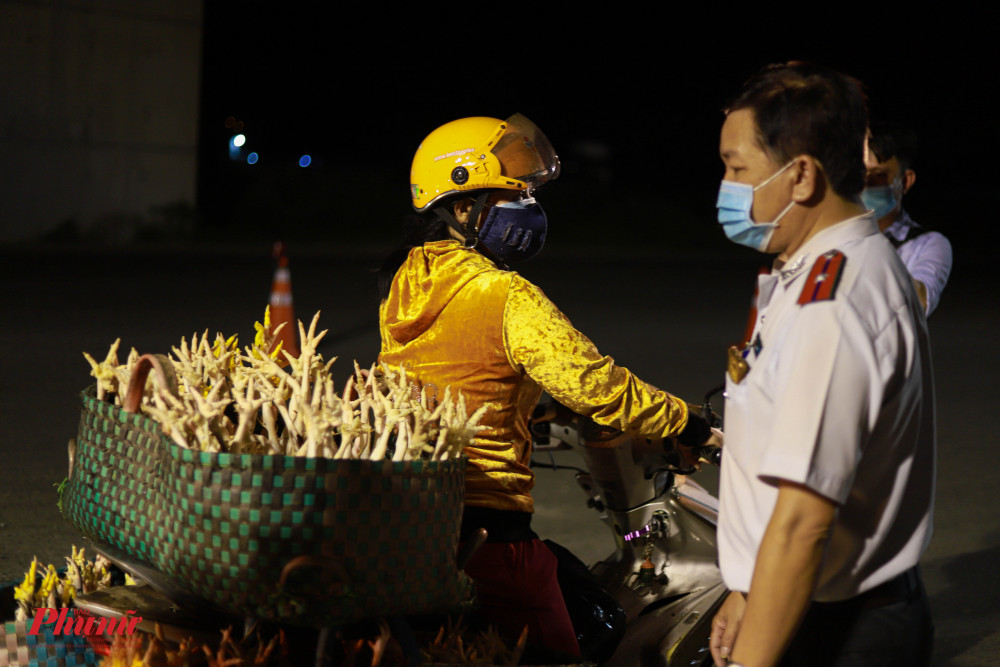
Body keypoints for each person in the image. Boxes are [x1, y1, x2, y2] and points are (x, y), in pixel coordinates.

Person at [376, 114, 714, 658]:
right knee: (562, 649)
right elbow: (594, 385)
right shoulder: (505, 294)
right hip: (491, 532)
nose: (531, 209)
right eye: (516, 195)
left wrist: (538, 413)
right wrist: (689, 422)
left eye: (531, 194)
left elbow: (454, 373)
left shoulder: (409, 277)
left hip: (421, 517)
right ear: (463, 207)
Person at [709, 63, 935, 666]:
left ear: (801, 174)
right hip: (798, 600)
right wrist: (746, 586)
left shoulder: (836, 302)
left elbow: (803, 522)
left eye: (737, 168)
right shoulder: (807, 272)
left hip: (840, 629)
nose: (727, 186)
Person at [862, 121, 952, 316]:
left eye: (877, 177)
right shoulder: (829, 235)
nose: (864, 185)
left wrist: (865, 236)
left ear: (905, 181)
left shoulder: (927, 244)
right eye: (857, 176)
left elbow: (920, 304)